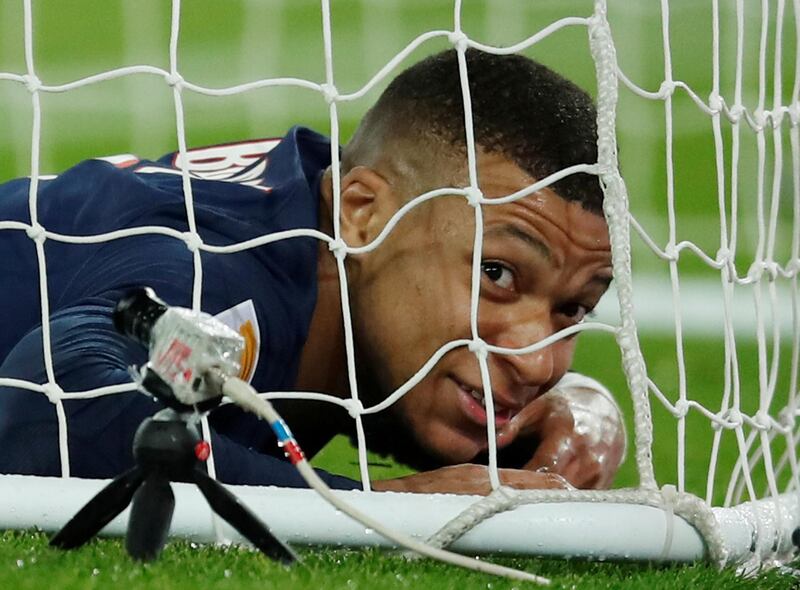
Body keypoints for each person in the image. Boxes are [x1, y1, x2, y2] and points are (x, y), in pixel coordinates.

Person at [0, 49, 625, 494]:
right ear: (362, 212)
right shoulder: (228, 281)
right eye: (498, 273)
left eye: (572, 309)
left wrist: (581, 409)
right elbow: (55, 409)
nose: (538, 360)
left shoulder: (345, 242)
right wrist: (369, 504)